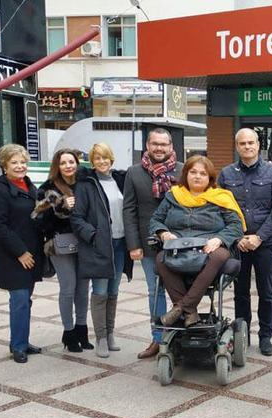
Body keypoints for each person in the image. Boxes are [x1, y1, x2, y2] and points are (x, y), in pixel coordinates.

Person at [150, 155, 244, 326]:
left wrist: (219, 239)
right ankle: (190, 312)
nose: (197, 176)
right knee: (160, 258)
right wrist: (163, 233)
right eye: (193, 172)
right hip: (179, 247)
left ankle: (180, 308)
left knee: (219, 255)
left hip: (210, 247)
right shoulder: (173, 196)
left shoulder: (221, 197)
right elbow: (156, 220)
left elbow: (236, 225)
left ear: (210, 178)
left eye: (203, 173)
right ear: (185, 174)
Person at [218, 128, 272, 356]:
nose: (247, 147)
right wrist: (238, 238)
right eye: (242, 143)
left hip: (265, 243)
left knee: (267, 292)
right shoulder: (226, 174)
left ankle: (266, 336)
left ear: (258, 144)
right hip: (238, 244)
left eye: (251, 142)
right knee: (240, 292)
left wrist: (259, 237)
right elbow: (223, 210)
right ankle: (241, 335)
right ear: (237, 146)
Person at [124, 128, 183, 359]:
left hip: (180, 243)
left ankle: (181, 336)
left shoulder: (183, 170)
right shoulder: (134, 172)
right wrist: (133, 244)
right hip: (148, 243)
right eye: (155, 144)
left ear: (170, 146)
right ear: (147, 145)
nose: (159, 148)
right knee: (155, 291)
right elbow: (129, 210)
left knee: (182, 291)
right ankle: (158, 339)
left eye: (164, 144)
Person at [71, 143, 133, 358]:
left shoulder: (119, 180)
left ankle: (111, 333)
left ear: (111, 159)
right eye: (97, 158)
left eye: (105, 158)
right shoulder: (86, 184)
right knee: (100, 293)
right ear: (92, 161)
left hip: (119, 244)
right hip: (99, 246)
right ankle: (101, 338)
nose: (102, 162)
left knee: (113, 292)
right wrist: (94, 235)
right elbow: (77, 218)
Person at [0, 144, 45, 364]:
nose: (20, 166)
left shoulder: (29, 186)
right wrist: (20, 252)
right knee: (19, 299)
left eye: (23, 162)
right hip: (12, 256)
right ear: (4, 165)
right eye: (15, 162)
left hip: (32, 253)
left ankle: (21, 340)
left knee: (25, 300)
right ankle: (18, 346)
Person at [36, 148, 91, 353]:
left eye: (71, 162)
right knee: (68, 288)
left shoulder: (85, 184)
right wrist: (60, 206)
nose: (68, 166)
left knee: (83, 290)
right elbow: (39, 218)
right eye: (63, 163)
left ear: (77, 163)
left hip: (84, 243)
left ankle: (82, 329)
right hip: (59, 244)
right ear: (57, 166)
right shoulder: (47, 188)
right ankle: (69, 333)